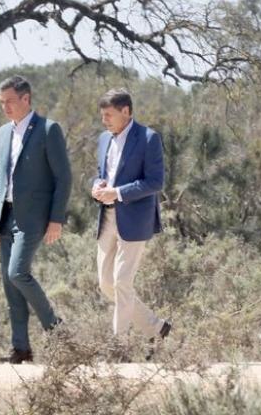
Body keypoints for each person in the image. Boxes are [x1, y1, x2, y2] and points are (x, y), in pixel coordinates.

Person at [0, 75, 71, 363]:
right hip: (6, 216)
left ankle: (56, 328)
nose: (5, 107)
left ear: (26, 98)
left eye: (10, 101)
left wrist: (56, 219)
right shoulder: (2, 133)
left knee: (17, 273)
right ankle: (20, 348)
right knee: (10, 286)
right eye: (1, 103)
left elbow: (64, 178)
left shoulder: (48, 130)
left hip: (34, 218)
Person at [91, 89, 171, 356]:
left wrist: (119, 192)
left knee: (122, 282)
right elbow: (100, 174)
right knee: (106, 283)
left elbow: (155, 182)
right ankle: (156, 328)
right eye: (102, 116)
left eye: (109, 115)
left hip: (135, 219)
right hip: (107, 218)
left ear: (126, 111)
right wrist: (98, 186)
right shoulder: (104, 139)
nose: (105, 121)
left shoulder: (148, 138)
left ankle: (119, 348)